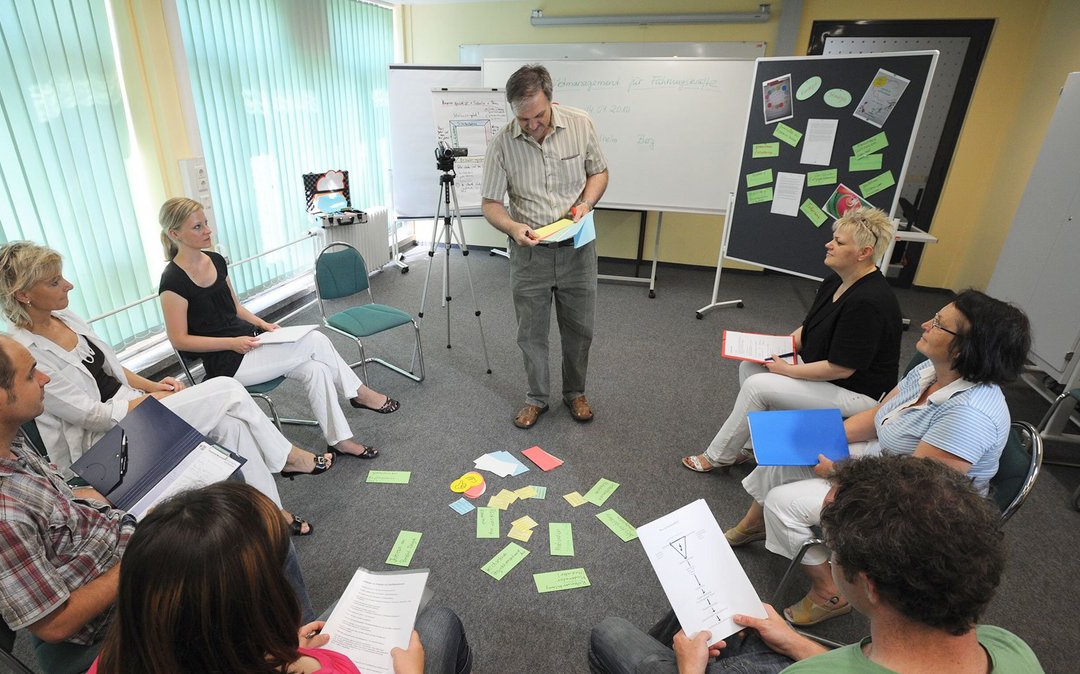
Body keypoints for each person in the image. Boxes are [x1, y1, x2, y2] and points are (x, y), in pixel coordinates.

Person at [0, 332, 313, 649]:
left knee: (226, 480)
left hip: (106, 537)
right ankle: (293, 647)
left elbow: (55, 506)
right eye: (32, 373)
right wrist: (144, 551)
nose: (44, 377)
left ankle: (282, 635)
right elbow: (56, 623)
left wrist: (124, 503)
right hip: (115, 599)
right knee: (259, 531)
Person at [0, 241, 328, 536]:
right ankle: (287, 458)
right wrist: (150, 400)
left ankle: (270, 518)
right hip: (103, 445)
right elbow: (93, 416)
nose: (68, 285)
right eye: (55, 282)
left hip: (134, 408)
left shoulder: (65, 318)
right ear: (23, 295)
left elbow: (111, 369)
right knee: (227, 388)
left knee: (233, 425)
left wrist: (152, 385)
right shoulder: (25, 353)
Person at [725, 290, 1031, 626]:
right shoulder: (932, 370)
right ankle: (757, 524)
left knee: (783, 503)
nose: (926, 324)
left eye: (940, 324)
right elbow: (878, 417)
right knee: (789, 455)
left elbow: (915, 492)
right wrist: (814, 438)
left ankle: (829, 593)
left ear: (964, 348)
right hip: (888, 463)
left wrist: (840, 474)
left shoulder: (969, 415)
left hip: (916, 510)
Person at [588, 455, 1043, 674]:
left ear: (868, 585)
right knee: (724, 619)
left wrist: (689, 670)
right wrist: (794, 642)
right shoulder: (1010, 649)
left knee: (608, 632)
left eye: (832, 546)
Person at [92, 481, 473, 674]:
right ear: (253, 608)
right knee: (440, 622)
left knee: (354, 608)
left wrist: (273, 646)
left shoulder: (121, 653)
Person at [157, 197, 395, 460]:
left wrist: (262, 324)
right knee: (314, 340)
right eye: (198, 227)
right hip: (227, 364)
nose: (208, 231)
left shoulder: (214, 260)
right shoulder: (173, 281)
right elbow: (180, 340)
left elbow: (235, 308)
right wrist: (231, 343)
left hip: (251, 345)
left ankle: (341, 441)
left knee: (316, 370)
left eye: (206, 224)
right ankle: (360, 393)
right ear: (175, 233)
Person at [683, 208, 901, 472]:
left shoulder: (869, 301)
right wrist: (779, 347)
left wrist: (789, 370)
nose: (828, 245)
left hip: (858, 394)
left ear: (863, 253)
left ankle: (718, 456)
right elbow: (809, 327)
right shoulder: (836, 280)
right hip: (830, 373)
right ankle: (752, 446)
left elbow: (841, 367)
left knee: (758, 387)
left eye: (839, 243)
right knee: (750, 366)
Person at [481, 64, 609, 429]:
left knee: (579, 329)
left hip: (577, 250)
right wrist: (512, 226)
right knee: (531, 334)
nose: (532, 125)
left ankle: (575, 393)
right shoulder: (503, 144)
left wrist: (586, 202)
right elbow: (491, 203)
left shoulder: (580, 124)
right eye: (523, 119)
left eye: (538, 115)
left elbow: (599, 171)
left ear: (551, 100)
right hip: (529, 254)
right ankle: (536, 398)